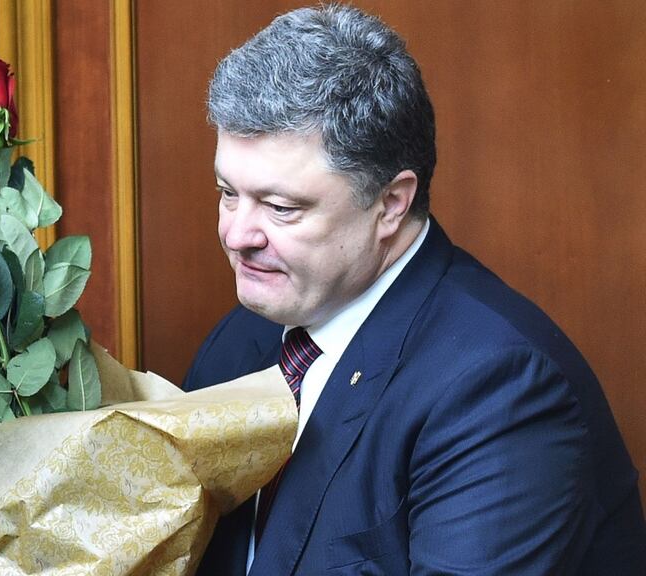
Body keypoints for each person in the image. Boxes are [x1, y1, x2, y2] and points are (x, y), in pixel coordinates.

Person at [185, 5, 646, 574]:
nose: (235, 235)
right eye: (228, 192)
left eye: (281, 208)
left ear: (391, 203)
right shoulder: (244, 336)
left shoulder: (500, 391)